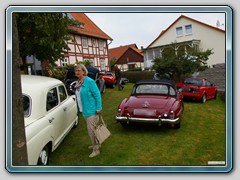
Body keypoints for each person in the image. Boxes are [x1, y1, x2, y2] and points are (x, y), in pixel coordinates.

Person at [74, 64, 102, 158]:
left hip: (92, 110)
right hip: (84, 110)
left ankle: (96, 150)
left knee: (91, 132)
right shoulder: (78, 82)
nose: (77, 72)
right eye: (76, 70)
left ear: (84, 71)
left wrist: (98, 108)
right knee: (92, 130)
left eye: (79, 70)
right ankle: (96, 144)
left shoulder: (89, 81)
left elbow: (97, 94)